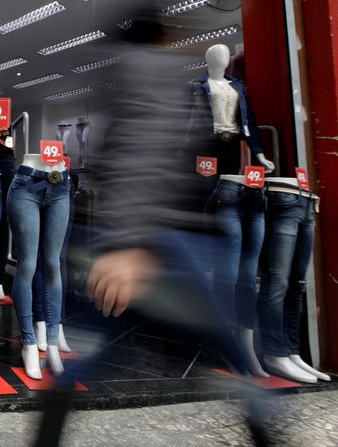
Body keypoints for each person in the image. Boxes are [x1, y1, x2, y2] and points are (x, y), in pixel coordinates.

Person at [33, 3, 272, 446]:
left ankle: (51, 421)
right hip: (160, 242)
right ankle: (263, 427)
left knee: (118, 345)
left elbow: (125, 160)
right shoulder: (150, 73)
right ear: (161, 34)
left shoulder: (133, 73)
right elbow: (142, 159)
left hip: (152, 238)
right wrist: (132, 246)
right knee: (226, 346)